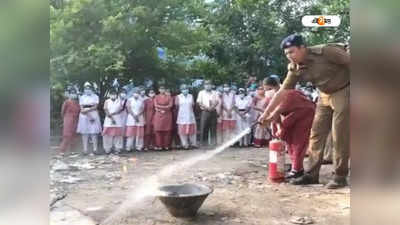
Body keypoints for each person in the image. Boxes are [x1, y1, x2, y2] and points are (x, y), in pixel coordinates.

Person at [259, 34, 350, 189]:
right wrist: (266, 113)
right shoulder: (294, 67)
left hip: (344, 90)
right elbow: (282, 92)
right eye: (286, 54)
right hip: (324, 95)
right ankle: (311, 174)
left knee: (339, 135)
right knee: (315, 134)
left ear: (303, 48)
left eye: (292, 52)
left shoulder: (326, 51)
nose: (289, 56)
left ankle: (340, 176)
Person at [269, 89, 315, 179]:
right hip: (295, 115)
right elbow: (275, 116)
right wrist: (279, 129)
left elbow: (276, 114)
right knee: (289, 141)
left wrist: (280, 129)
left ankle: (297, 170)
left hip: (305, 115)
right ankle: (296, 167)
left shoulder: (287, 96)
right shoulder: (278, 97)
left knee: (298, 143)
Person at [76, 82, 102, 155]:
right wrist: (86, 112)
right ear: (84, 89)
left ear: (92, 89)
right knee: (84, 133)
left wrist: (88, 110)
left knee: (94, 133)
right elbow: (81, 108)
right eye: (86, 88)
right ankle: (85, 149)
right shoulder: (82, 97)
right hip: (84, 116)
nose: (87, 90)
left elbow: (95, 106)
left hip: (93, 114)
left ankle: (95, 149)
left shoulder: (95, 96)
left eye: (89, 88)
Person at [196, 80, 218, 147]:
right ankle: (204, 145)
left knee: (213, 129)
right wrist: (207, 108)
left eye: (209, 84)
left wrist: (212, 107)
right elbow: (199, 102)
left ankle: (213, 145)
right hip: (205, 112)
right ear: (204, 85)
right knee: (204, 128)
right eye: (206, 84)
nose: (208, 85)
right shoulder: (201, 93)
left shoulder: (215, 92)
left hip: (213, 112)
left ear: (211, 85)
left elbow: (217, 101)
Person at [175, 85, 197, 150]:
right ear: (181, 90)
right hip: (182, 116)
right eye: (183, 89)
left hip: (190, 116)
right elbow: (176, 106)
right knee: (182, 132)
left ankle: (193, 144)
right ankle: (185, 145)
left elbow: (193, 105)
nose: (185, 90)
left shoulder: (191, 96)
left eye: (186, 88)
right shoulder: (178, 97)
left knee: (192, 131)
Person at [102, 89, 124, 154]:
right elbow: (106, 110)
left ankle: (117, 148)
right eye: (112, 94)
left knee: (118, 135)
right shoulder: (107, 101)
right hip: (108, 120)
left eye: (114, 94)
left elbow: (120, 109)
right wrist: (111, 118)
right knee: (107, 135)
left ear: (116, 95)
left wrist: (114, 113)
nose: (113, 95)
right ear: (109, 95)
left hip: (118, 119)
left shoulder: (119, 101)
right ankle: (107, 148)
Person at [59, 88, 80, 153]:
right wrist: (65, 119)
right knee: (67, 135)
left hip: (76, 119)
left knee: (74, 135)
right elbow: (62, 112)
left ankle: (72, 151)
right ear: (69, 94)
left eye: (74, 93)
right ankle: (62, 151)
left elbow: (79, 111)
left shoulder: (77, 103)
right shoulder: (66, 102)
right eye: (71, 93)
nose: (73, 94)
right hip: (68, 119)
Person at [153, 85, 174, 150]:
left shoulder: (169, 97)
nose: (162, 90)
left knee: (167, 131)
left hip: (167, 115)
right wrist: (161, 109)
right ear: (159, 90)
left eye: (163, 89)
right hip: (158, 115)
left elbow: (170, 105)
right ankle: (159, 146)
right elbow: (155, 105)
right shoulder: (156, 97)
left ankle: (166, 146)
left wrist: (162, 108)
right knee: (158, 131)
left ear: (165, 90)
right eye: (161, 89)